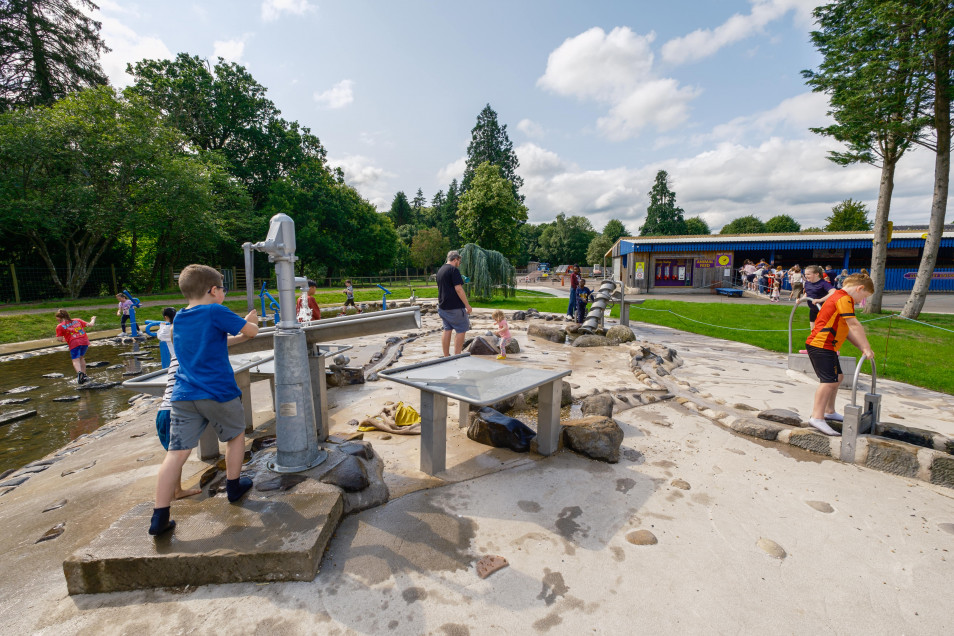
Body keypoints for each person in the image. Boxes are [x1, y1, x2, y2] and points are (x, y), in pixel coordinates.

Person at [148, 264, 259, 536]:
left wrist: (236, 335)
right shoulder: (215, 310)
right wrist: (251, 321)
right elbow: (252, 332)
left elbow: (213, 342)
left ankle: (159, 517)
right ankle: (234, 487)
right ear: (213, 290)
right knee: (235, 437)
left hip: (183, 394)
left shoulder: (181, 318)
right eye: (223, 288)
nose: (223, 293)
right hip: (218, 391)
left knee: (176, 454)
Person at [805, 273, 875, 436]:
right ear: (859, 288)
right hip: (821, 344)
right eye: (863, 298)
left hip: (827, 345)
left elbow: (847, 330)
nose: (860, 302)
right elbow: (854, 325)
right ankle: (817, 417)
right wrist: (867, 346)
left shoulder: (840, 297)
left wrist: (861, 347)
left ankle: (829, 411)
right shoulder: (844, 299)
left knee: (838, 377)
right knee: (828, 381)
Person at [153, 306, 202, 501]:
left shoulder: (174, 358)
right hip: (175, 413)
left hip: (162, 413)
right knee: (176, 457)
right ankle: (169, 496)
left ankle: (176, 490)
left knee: (173, 455)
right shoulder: (185, 361)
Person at [436, 250, 472, 357]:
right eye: (459, 261)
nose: (459, 264)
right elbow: (459, 289)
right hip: (455, 307)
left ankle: (446, 356)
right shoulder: (453, 270)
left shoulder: (440, 270)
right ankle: (457, 356)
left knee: (447, 329)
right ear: (455, 259)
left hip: (443, 306)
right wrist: (467, 305)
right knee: (461, 329)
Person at [55, 309, 97, 385]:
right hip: (84, 341)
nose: (57, 320)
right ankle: (84, 375)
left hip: (74, 343)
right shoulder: (77, 320)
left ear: (60, 317)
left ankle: (79, 373)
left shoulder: (60, 326)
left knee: (75, 360)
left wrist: (66, 339)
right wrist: (93, 319)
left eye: (57, 318)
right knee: (81, 357)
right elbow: (90, 325)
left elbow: (60, 339)